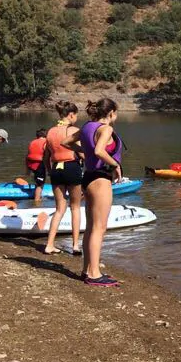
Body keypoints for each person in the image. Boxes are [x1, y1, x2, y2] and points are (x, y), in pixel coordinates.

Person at [67, 98, 123, 287]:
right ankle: (94, 274)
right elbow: (100, 151)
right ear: (111, 113)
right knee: (100, 228)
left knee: (91, 227)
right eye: (116, 112)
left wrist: (84, 152)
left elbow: (65, 142)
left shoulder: (86, 127)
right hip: (100, 178)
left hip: (88, 177)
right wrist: (115, 165)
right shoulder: (106, 129)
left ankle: (86, 270)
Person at [43, 101, 83, 256]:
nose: (77, 118)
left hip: (56, 170)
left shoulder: (51, 131)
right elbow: (80, 153)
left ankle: (49, 245)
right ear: (71, 114)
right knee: (75, 207)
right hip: (72, 167)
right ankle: (75, 246)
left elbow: (46, 157)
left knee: (59, 209)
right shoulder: (73, 130)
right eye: (76, 115)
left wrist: (49, 171)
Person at [26, 129, 48, 205]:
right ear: (46, 135)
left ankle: (36, 195)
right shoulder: (46, 142)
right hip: (39, 164)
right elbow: (47, 155)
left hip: (31, 164)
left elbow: (27, 155)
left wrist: (27, 170)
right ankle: (37, 201)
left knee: (38, 181)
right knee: (40, 184)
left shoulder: (32, 142)